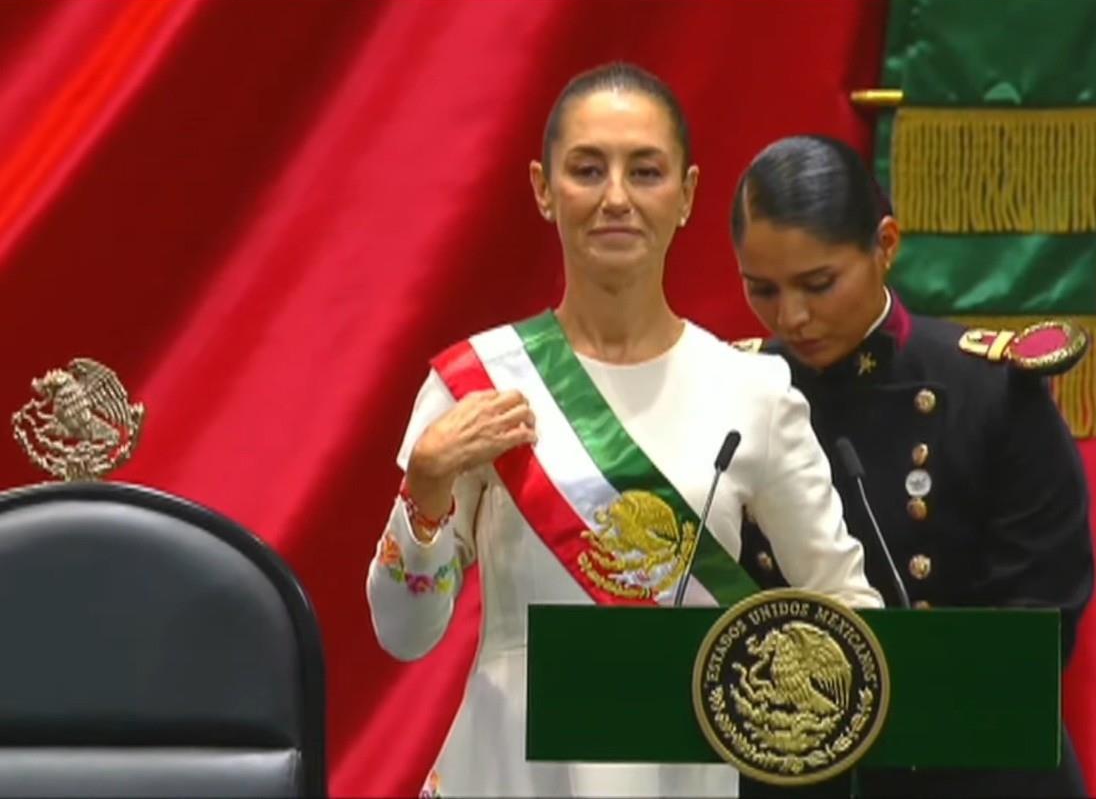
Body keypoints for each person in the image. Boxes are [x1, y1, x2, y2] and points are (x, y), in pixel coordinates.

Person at [366, 66, 883, 798]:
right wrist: (425, 485)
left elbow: (846, 608)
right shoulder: (476, 383)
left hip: (685, 766)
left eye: (644, 171)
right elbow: (404, 632)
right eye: (586, 169)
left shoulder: (753, 392)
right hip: (511, 769)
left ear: (686, 195)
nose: (615, 198)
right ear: (544, 190)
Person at [728, 134, 1095, 798]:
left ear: (885, 244)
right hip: (793, 769)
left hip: (975, 767)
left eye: (818, 283)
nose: (793, 316)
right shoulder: (733, 392)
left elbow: (1039, 618)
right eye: (762, 289)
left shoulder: (988, 390)